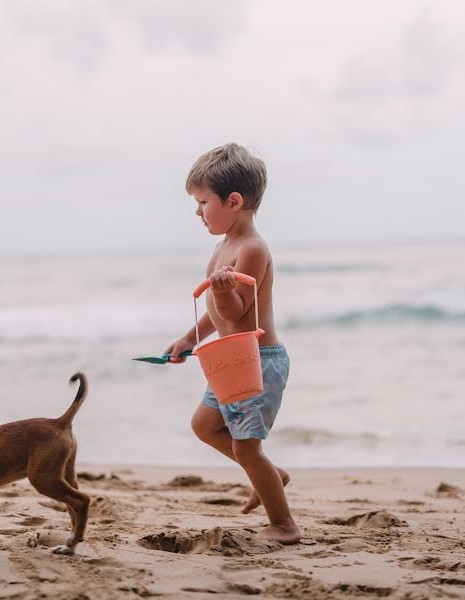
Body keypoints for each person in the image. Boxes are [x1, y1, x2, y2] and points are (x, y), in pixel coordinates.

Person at [165, 143, 300, 544]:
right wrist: (190, 337)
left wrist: (224, 289)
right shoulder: (222, 247)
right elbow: (217, 313)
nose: (197, 211)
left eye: (203, 201)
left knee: (246, 449)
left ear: (234, 201)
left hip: (258, 361)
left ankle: (283, 524)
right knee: (204, 426)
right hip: (231, 359)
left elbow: (239, 311)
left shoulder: (252, 249)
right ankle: (272, 475)